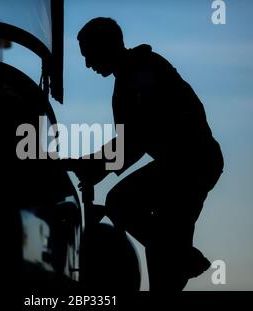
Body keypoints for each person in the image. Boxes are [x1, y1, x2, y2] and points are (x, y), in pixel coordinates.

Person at [75, 17, 224, 291]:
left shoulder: (141, 72)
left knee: (121, 203)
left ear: (107, 46)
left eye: (90, 55)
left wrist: (97, 165)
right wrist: (96, 164)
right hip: (186, 165)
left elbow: (136, 137)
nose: (87, 65)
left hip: (191, 164)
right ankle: (180, 256)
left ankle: (181, 256)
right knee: (164, 258)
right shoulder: (132, 76)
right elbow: (131, 139)